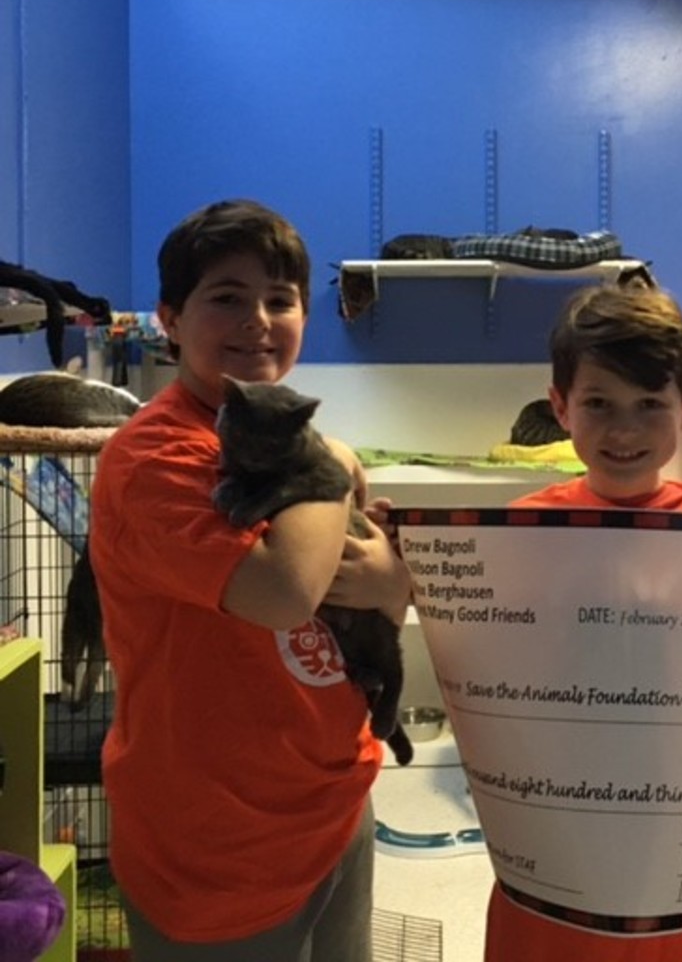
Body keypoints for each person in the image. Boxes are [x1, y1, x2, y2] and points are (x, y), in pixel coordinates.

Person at [88, 199, 410, 960]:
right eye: (225, 297)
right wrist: (333, 465)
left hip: (330, 797)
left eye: (280, 299)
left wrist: (390, 583)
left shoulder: (299, 443)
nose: (258, 320)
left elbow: (373, 595)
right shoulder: (155, 458)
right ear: (169, 317)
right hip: (218, 840)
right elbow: (283, 594)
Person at [483, 272, 682, 962]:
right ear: (559, 406)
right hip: (550, 828)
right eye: (599, 402)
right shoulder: (516, 533)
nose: (625, 429)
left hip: (674, 832)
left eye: (650, 403)